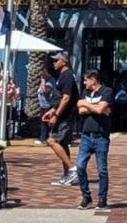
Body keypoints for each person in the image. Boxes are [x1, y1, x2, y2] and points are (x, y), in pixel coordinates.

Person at [75, 69, 113, 210]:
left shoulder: (107, 91)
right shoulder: (85, 92)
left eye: (86, 79)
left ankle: (102, 199)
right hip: (86, 136)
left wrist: (89, 106)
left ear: (93, 79)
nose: (84, 82)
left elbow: (100, 109)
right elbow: (80, 109)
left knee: (102, 170)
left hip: (101, 137)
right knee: (79, 166)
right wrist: (97, 108)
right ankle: (86, 197)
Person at [44, 50, 79, 186]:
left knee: (51, 140)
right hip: (63, 114)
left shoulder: (67, 75)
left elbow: (66, 98)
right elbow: (61, 98)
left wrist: (56, 115)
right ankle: (67, 175)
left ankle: (72, 168)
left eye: (56, 60)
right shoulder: (62, 75)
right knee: (63, 144)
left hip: (65, 116)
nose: (54, 63)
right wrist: (52, 111)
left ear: (63, 61)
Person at [34, 68, 55, 145]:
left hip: (48, 105)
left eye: (44, 74)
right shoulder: (44, 81)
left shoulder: (50, 82)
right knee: (43, 122)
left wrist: (43, 82)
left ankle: (46, 138)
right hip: (42, 105)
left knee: (47, 122)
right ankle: (43, 138)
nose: (43, 76)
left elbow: (45, 90)